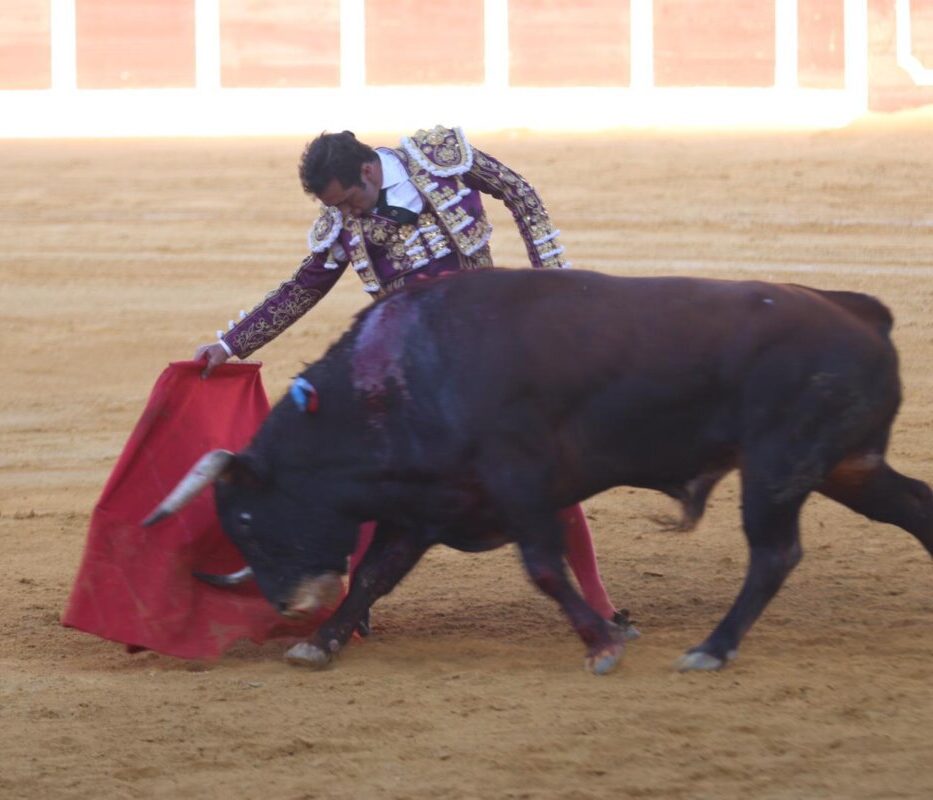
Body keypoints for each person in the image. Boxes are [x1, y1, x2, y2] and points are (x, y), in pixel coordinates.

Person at [194, 125, 623, 624]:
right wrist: (231, 344)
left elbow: (520, 192)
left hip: (489, 348)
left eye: (349, 198)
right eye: (335, 206)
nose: (346, 213)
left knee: (542, 467)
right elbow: (301, 290)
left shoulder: (441, 158)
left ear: (369, 169)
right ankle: (353, 610)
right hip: (412, 367)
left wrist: (553, 281)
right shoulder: (341, 221)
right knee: (370, 473)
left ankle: (599, 606)